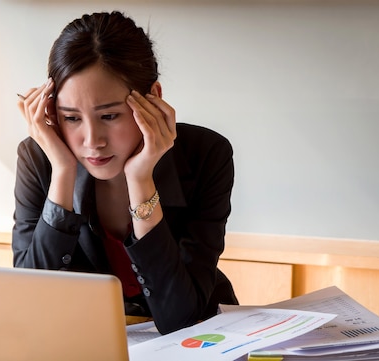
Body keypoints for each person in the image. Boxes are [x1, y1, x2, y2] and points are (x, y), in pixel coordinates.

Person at [13, 11, 238, 335]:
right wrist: (63, 171)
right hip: (88, 342)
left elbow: (181, 318)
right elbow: (26, 304)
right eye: (72, 118)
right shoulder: (39, 158)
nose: (93, 141)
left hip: (199, 340)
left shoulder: (206, 154)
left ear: (153, 99)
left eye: (109, 115)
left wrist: (140, 179)